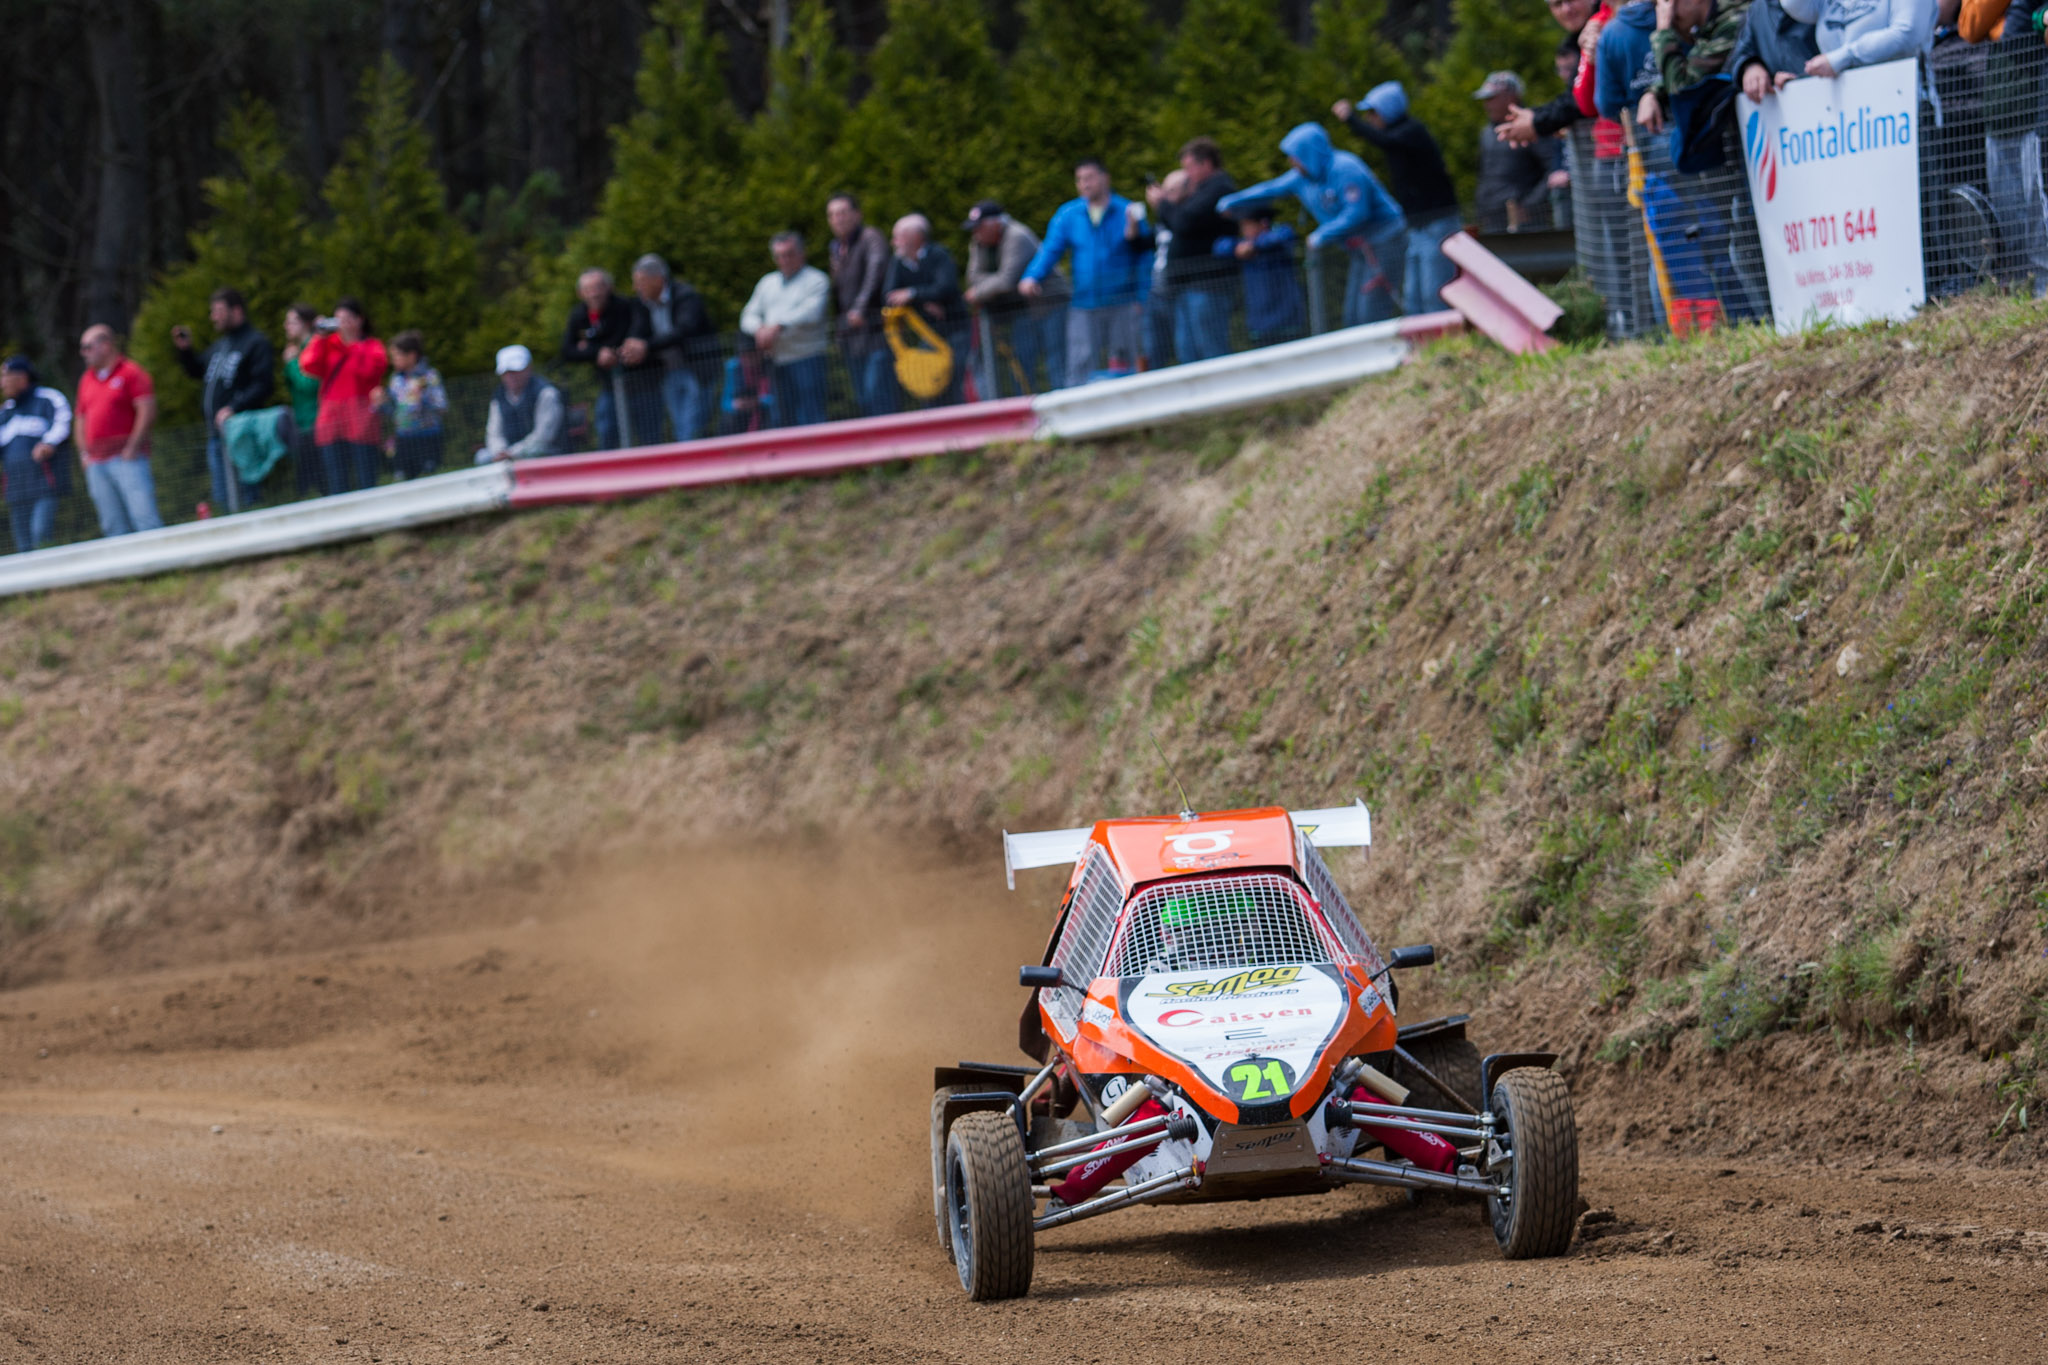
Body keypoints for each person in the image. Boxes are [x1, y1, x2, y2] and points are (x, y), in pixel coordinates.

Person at [1218, 123, 1409, 328]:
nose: (1291, 162)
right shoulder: (1303, 178)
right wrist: (1232, 202)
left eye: (1295, 156)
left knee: (1371, 309)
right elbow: (1269, 189)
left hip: (1386, 241)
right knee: (1353, 315)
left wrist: (1322, 235)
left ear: (1309, 153)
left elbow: (1357, 212)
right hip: (1361, 249)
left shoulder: (1345, 168)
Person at [1335, 84, 1464, 315]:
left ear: (1388, 109)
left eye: (1373, 112)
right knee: (1414, 298)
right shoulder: (1398, 137)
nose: (1370, 119)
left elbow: (1385, 141)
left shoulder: (1411, 131)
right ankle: (1422, 339)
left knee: (1433, 293)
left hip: (1437, 224)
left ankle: (1446, 338)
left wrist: (1351, 119)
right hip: (1416, 227)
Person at [1021, 158, 1151, 385]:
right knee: (1080, 362)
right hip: (1084, 302)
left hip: (1123, 301)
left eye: (1089, 178)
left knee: (1124, 361)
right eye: (1079, 179)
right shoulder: (1069, 214)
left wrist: (1142, 295)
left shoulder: (1127, 211)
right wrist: (1032, 276)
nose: (1084, 184)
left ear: (1105, 178)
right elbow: (1050, 249)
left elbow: (1144, 256)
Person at [171, 286, 275, 514]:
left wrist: (233, 407)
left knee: (249, 496)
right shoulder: (220, 346)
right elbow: (197, 371)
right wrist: (186, 351)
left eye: (218, 311)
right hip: (217, 436)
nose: (213, 317)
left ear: (236, 311)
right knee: (224, 500)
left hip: (242, 432)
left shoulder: (255, 342)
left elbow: (263, 385)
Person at [1147, 137, 1241, 363]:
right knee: (1188, 352)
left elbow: (1185, 222)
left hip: (1208, 285)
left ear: (1206, 164)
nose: (1187, 174)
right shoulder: (1201, 190)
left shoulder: (1219, 188)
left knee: (1209, 349)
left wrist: (1162, 204)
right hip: (1188, 286)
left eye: (1189, 167)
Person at [963, 200, 1066, 396]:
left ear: (995, 223)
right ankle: (1024, 407)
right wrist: (991, 283)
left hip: (1051, 303)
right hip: (1025, 309)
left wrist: (979, 291)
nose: (975, 232)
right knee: (1022, 361)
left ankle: (1062, 405)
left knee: (1055, 360)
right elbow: (973, 277)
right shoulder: (978, 242)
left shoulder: (1017, 236)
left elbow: (1006, 280)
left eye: (979, 227)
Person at [73, 325, 162, 537]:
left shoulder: (131, 372)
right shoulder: (86, 379)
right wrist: (84, 454)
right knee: (111, 524)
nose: (83, 353)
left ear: (106, 345)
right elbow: (80, 419)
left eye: (87, 347)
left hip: (127, 459)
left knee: (144, 517)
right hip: (96, 463)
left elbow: (147, 411)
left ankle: (160, 557)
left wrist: (133, 447)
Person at [739, 232, 832, 428]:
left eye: (789, 254)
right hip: (776, 361)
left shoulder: (816, 279)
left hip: (808, 358)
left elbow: (811, 313)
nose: (785, 260)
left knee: (811, 418)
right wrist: (759, 330)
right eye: (780, 255)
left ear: (801, 253)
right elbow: (748, 315)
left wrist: (778, 326)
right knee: (780, 420)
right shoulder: (767, 283)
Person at [298, 297, 390, 495]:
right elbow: (308, 365)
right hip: (331, 419)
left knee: (367, 477)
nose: (343, 324)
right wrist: (319, 337)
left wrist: (352, 345)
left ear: (359, 320)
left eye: (347, 319)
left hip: (361, 417)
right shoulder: (328, 343)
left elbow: (371, 372)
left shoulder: (372, 346)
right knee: (337, 481)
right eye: (339, 319)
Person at [621, 254, 715, 443]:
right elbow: (638, 330)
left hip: (695, 370)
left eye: (641, 282)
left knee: (692, 426)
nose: (636, 288)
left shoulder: (686, 296)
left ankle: (693, 459)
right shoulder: (642, 303)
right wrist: (631, 345)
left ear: (658, 279)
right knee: (680, 426)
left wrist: (646, 345)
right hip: (669, 372)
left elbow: (684, 330)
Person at [1498, 0, 1609, 148]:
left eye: (1571, 0)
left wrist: (1537, 121)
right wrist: (1538, 119)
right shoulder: (1575, 41)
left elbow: (1580, 102)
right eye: (1557, 4)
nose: (1566, 9)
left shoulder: (1604, 25)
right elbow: (1577, 96)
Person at [883, 214, 968, 405]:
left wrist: (912, 294)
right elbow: (889, 296)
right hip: (928, 334)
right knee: (929, 384)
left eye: (898, 237)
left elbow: (946, 287)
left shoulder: (939, 255)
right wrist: (922, 300)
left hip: (955, 330)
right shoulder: (898, 261)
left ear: (915, 237)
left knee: (955, 380)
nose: (893, 242)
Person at [1637, 0, 1756, 136]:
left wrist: (1663, 32)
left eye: (1670, 2)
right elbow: (1691, 69)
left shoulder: (1731, 21)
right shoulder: (1709, 25)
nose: (1667, 12)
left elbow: (1682, 87)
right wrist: (1653, 93)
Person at [560, 268, 647, 450]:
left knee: (648, 434)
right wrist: (596, 352)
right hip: (608, 386)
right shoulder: (578, 315)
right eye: (588, 289)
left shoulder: (625, 306)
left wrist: (591, 346)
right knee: (607, 434)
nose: (594, 293)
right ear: (580, 293)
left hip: (642, 383)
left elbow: (630, 335)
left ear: (609, 287)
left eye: (598, 287)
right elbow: (567, 351)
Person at [826, 194, 897, 416]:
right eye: (832, 215)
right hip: (851, 335)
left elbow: (876, 271)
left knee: (878, 392)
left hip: (875, 330)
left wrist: (860, 308)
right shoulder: (835, 247)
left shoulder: (870, 237)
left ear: (857, 214)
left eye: (842, 213)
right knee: (862, 397)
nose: (837, 219)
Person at [1474, 72, 1569, 233]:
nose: (1487, 105)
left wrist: (1530, 205)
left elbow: (1553, 170)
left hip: (1527, 222)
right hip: (1491, 217)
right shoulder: (1487, 133)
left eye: (1491, 98)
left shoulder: (1530, 128)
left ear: (1511, 97)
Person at [0, 357, 71, 554]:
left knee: (41, 534)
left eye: (5, 376)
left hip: (44, 483)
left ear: (22, 377)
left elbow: (63, 422)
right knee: (23, 544)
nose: (2, 383)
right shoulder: (5, 411)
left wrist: (48, 443)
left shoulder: (48, 398)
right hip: (15, 488)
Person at [1216, 209, 1308, 345]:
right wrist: (1237, 248)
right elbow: (1220, 247)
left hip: (1288, 320)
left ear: (1263, 224)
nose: (1244, 230)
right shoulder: (1242, 246)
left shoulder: (1277, 239)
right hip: (1260, 324)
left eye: (1248, 225)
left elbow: (1285, 234)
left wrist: (1255, 246)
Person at [1782, 0, 1936, 76]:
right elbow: (1792, 4)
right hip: (1846, 115)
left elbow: (1907, 33)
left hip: (1902, 110)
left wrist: (1843, 57)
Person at [476, 345, 564, 463]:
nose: (511, 376)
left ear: (529, 368)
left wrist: (514, 453)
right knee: (482, 456)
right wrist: (500, 451)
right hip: (507, 455)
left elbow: (543, 437)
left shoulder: (546, 393)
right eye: (506, 373)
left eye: (515, 371)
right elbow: (494, 433)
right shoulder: (498, 396)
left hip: (544, 453)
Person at [383, 331, 448, 479]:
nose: (393, 361)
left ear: (411, 356)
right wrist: (382, 403)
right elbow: (395, 412)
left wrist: (423, 397)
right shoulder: (395, 380)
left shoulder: (429, 376)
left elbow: (442, 406)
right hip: (405, 439)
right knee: (404, 477)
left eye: (397, 356)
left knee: (429, 477)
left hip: (428, 437)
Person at [1731, 0, 1821, 100]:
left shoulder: (1822, 4)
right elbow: (1742, 52)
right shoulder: (1757, 8)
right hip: (1784, 103)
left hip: (1823, 96)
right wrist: (1750, 66)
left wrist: (1799, 79)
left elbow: (1830, 59)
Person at [1140, 170, 1185, 369]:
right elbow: (1145, 244)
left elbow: (1182, 228)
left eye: (1171, 190)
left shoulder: (1185, 215)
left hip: (1179, 294)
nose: (1165, 196)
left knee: (1186, 350)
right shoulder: (1164, 218)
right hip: (1156, 293)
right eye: (1164, 191)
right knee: (1153, 352)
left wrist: (1161, 205)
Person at [279, 304, 323, 492]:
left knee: (320, 483)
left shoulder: (313, 348)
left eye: (291, 322)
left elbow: (309, 385)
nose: (286, 326)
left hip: (316, 422)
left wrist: (291, 363)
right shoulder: (300, 349)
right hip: (304, 422)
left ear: (305, 324)